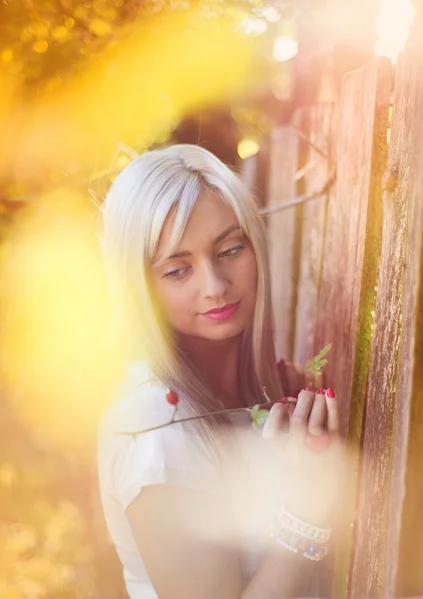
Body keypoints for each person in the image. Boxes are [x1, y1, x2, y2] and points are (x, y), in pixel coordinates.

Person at [97, 144, 342, 599]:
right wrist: (306, 508)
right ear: (139, 289)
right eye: (176, 271)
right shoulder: (158, 437)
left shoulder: (248, 391)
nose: (214, 286)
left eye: (230, 249)